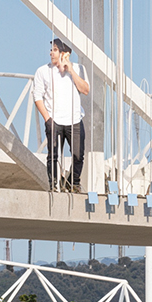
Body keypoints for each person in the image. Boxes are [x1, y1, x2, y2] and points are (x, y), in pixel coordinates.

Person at [31, 38, 90, 194]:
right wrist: (48, 119)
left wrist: (70, 70)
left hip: (75, 120)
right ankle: (53, 185)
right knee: (53, 156)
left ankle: (73, 183)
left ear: (65, 54)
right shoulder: (43, 71)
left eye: (55, 50)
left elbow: (85, 90)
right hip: (54, 120)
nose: (51, 52)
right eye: (51, 49)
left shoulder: (79, 68)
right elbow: (37, 96)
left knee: (78, 155)